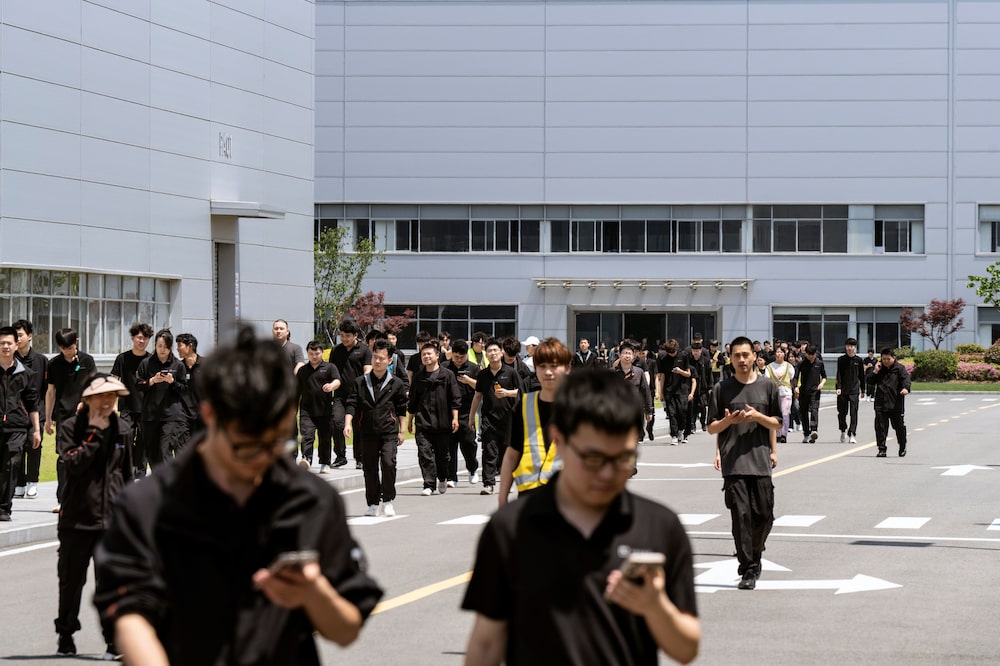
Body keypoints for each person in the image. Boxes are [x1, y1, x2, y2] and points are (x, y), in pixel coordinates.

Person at [93, 326, 383, 665]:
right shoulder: (150, 503)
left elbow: (346, 628)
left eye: (274, 443)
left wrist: (314, 591)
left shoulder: (310, 500)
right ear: (211, 415)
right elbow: (128, 616)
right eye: (246, 445)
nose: (261, 459)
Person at [462, 367, 701, 665]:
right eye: (593, 458)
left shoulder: (659, 527)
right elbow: (485, 645)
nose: (607, 473)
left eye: (623, 459)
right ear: (559, 440)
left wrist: (656, 607)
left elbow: (686, 648)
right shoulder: (511, 528)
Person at [54, 374, 133, 658]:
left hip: (111, 522)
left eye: (113, 397)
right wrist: (94, 436)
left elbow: (126, 474)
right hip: (77, 519)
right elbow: (73, 465)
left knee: (112, 585)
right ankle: (65, 633)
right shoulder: (71, 428)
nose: (108, 402)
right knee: (71, 582)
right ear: (88, 399)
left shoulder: (123, 428)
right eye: (102, 396)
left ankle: (113, 641)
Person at [707, 336, 781, 591]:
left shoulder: (767, 387)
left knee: (764, 515)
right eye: (736, 355)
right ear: (731, 358)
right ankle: (747, 568)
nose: (741, 359)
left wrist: (759, 416)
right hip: (734, 463)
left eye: (745, 355)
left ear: (754, 357)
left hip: (760, 462)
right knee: (741, 517)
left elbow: (778, 423)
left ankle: (755, 552)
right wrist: (729, 422)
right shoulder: (722, 389)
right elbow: (711, 427)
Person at [497, 337, 571, 506]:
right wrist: (503, 498)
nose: (548, 372)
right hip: (528, 499)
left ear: (567, 368)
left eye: (554, 366)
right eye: (542, 366)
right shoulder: (523, 406)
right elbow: (511, 455)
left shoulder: (580, 408)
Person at [345, 339, 408, 516]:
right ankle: (372, 503)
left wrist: (402, 430)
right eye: (375, 357)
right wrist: (348, 423)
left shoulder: (396, 383)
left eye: (382, 358)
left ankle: (388, 500)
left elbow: (402, 408)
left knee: (388, 463)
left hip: (389, 431)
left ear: (390, 361)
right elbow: (351, 403)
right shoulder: (361, 382)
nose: (377, 361)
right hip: (367, 431)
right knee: (370, 468)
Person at [46, 328, 97, 511]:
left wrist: (85, 402)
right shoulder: (53, 364)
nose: (67, 351)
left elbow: (93, 386)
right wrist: (47, 418)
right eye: (63, 348)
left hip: (85, 415)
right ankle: (64, 500)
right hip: (62, 416)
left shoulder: (87, 361)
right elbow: (50, 392)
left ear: (77, 341)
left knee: (85, 455)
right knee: (63, 458)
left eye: (70, 346)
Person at [468, 338, 523, 495]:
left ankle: (509, 481)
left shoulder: (511, 372)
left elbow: (521, 391)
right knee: (489, 451)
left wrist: (507, 393)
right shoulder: (483, 374)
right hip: (488, 419)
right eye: (489, 351)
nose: (492, 354)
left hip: (509, 419)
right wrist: (472, 417)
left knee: (507, 452)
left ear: (502, 353)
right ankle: (488, 484)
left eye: (495, 351)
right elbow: (477, 396)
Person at [407, 341, 460, 496]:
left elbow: (455, 398)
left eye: (429, 354)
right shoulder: (418, 377)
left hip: (443, 422)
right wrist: (410, 421)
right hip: (423, 422)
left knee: (443, 455)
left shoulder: (447, 375)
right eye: (424, 354)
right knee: (424, 454)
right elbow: (413, 401)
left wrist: (455, 418)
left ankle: (442, 477)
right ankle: (429, 484)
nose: (426, 356)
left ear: (437, 355)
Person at [0, 326, 41, 521]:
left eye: (9, 343)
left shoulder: (27, 373)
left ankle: (4, 508)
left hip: (17, 426)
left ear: (17, 345)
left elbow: (33, 404)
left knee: (11, 465)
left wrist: (36, 430)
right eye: (1, 343)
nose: (5, 346)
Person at [135, 329, 189, 468]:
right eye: (159, 346)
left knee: (164, 451)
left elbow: (184, 389)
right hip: (150, 415)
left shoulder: (178, 365)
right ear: (155, 346)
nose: (162, 350)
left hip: (170, 415)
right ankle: (159, 482)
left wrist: (172, 382)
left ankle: (169, 483)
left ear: (170, 347)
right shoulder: (146, 363)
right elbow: (138, 385)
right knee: (152, 453)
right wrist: (151, 381)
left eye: (165, 347)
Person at [111, 322, 152, 478]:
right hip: (127, 406)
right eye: (139, 338)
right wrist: (113, 404)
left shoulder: (151, 360)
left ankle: (140, 472)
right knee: (125, 437)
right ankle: (127, 468)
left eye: (145, 338)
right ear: (133, 338)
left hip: (146, 408)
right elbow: (114, 380)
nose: (142, 341)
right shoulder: (122, 358)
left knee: (143, 440)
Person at [331, 320, 373, 469]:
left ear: (355, 335)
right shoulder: (336, 350)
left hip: (358, 396)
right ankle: (340, 456)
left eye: (347, 336)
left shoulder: (365, 350)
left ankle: (360, 457)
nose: (344, 339)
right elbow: (332, 371)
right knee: (337, 423)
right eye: (342, 335)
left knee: (358, 426)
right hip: (340, 396)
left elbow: (367, 370)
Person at [12, 319, 47, 499]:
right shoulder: (9, 359)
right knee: (16, 449)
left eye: (20, 335)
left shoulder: (41, 361)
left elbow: (47, 389)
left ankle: (33, 482)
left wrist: (48, 416)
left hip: (36, 411)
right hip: (15, 412)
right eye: (15, 336)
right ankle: (19, 483)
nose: (17, 339)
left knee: (34, 446)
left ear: (30, 336)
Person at [297, 340, 341, 472]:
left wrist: (331, 386)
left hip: (325, 409)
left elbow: (337, 380)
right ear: (307, 354)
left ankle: (325, 462)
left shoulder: (330, 367)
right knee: (307, 435)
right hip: (306, 410)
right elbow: (295, 390)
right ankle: (307, 458)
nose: (314, 356)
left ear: (322, 353)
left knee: (325, 438)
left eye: (317, 353)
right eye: (311, 353)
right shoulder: (303, 370)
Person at [441, 339, 481, 486]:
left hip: (467, 411)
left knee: (468, 443)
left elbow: (481, 387)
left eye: (462, 357)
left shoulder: (473, 368)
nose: (459, 360)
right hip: (449, 411)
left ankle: (472, 469)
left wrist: (468, 380)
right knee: (450, 445)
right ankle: (452, 477)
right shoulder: (444, 367)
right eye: (456, 357)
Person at [867, 348, 911, 458]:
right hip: (881, 403)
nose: (886, 361)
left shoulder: (899, 369)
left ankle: (902, 446)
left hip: (895, 403)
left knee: (899, 427)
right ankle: (882, 449)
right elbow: (869, 381)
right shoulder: (879, 368)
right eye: (884, 359)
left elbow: (906, 380)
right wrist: (875, 371)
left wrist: (905, 388)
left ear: (893, 358)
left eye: (888, 359)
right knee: (880, 427)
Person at [614, 339, 654, 442]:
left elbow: (646, 391)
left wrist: (649, 410)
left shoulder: (638, 372)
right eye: (624, 353)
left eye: (629, 354)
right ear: (619, 355)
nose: (627, 356)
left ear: (633, 356)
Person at [793, 343, 826, 443]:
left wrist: (822, 384)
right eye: (808, 354)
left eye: (812, 354)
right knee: (803, 412)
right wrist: (796, 387)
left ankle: (814, 430)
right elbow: (795, 377)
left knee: (814, 410)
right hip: (803, 391)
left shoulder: (819, 363)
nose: (810, 356)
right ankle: (806, 433)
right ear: (805, 353)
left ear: (815, 354)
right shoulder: (802, 364)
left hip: (815, 391)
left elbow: (824, 376)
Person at [836, 337, 866, 444]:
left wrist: (863, 390)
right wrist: (838, 387)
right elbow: (838, 374)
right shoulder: (841, 360)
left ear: (855, 347)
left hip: (854, 390)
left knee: (854, 413)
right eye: (848, 346)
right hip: (843, 390)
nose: (850, 348)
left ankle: (852, 433)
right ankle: (843, 430)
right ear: (845, 346)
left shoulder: (859, 360)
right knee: (842, 413)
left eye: (852, 346)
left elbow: (862, 376)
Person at [175, 333, 204, 435]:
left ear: (190, 346)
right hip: (183, 416)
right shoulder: (178, 367)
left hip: (202, 416)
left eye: (180, 345)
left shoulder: (206, 365)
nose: (177, 349)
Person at [765, 346, 794, 443]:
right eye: (777, 352)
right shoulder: (769, 367)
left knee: (785, 413)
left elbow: (791, 377)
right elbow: (767, 379)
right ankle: (777, 433)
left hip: (786, 393)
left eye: (781, 352)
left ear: (784, 354)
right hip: (774, 394)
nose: (778, 354)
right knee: (776, 414)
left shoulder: (789, 367)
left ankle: (783, 434)